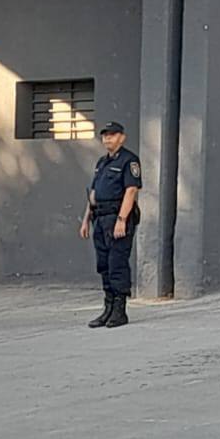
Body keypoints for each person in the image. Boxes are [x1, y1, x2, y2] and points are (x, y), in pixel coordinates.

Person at [79, 122, 142, 329]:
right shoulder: (102, 162)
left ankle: (119, 310)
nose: (107, 139)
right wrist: (86, 219)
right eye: (105, 135)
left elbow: (131, 191)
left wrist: (122, 220)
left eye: (112, 135)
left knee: (117, 263)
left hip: (117, 218)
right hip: (100, 218)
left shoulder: (129, 160)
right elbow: (94, 193)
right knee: (104, 264)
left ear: (122, 137)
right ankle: (108, 308)